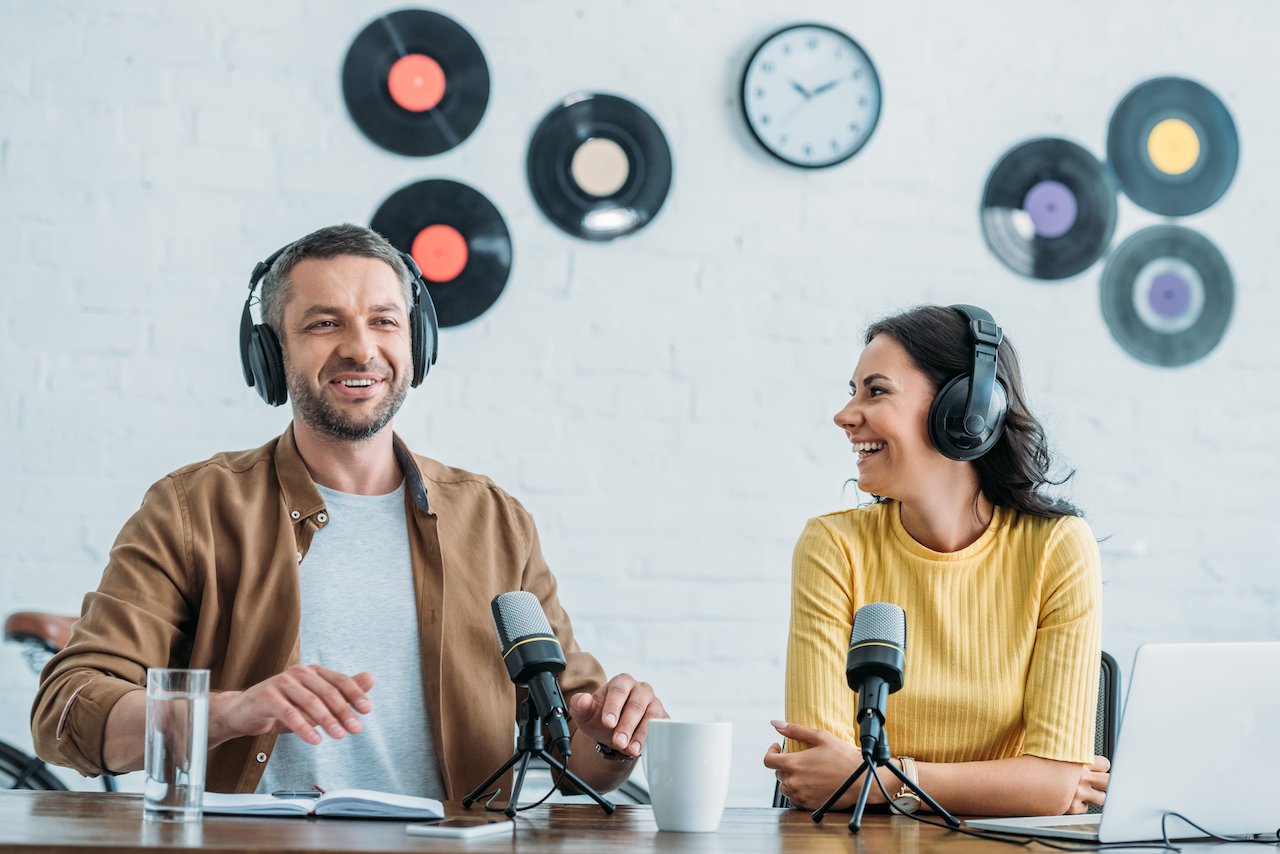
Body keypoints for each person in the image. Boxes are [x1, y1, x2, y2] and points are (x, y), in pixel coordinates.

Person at [31, 224, 665, 800]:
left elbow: (575, 762)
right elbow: (68, 714)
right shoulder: (192, 509)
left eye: (384, 320)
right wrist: (228, 712)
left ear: (417, 341)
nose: (361, 349)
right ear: (271, 353)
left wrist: (612, 732)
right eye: (323, 324)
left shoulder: (496, 521)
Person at [763, 304, 1107, 817]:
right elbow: (821, 776)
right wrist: (1017, 783)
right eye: (852, 391)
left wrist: (882, 781)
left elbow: (1051, 786)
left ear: (966, 412)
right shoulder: (833, 547)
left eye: (876, 391)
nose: (844, 415)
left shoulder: (1057, 548)